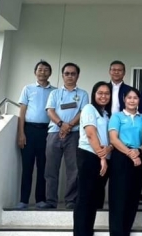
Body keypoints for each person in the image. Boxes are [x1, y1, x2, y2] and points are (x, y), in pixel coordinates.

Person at [40, 63, 88, 209]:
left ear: (78, 76)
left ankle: (71, 200)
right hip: (54, 133)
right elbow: (50, 111)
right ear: (62, 75)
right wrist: (61, 125)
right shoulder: (54, 93)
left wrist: (69, 126)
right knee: (51, 168)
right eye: (67, 73)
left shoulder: (83, 94)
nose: (70, 76)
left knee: (73, 169)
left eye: (73, 73)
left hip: (74, 134)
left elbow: (83, 112)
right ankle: (51, 200)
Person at [74, 81, 113, 236]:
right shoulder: (89, 108)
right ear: (94, 94)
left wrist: (108, 150)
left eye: (107, 93)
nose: (104, 96)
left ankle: (87, 231)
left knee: (93, 198)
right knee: (85, 197)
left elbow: (108, 138)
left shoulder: (106, 114)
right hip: (89, 155)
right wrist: (102, 157)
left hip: (102, 157)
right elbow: (91, 134)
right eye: (100, 93)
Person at [16, 60, 56, 209]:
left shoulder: (55, 91)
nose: (42, 72)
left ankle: (40, 199)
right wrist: (21, 133)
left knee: (43, 166)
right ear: (35, 72)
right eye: (40, 69)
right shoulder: (28, 89)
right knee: (27, 167)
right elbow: (22, 112)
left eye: (46, 70)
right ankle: (23, 200)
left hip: (47, 131)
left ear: (50, 73)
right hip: (29, 130)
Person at [108, 87, 142, 236]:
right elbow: (113, 139)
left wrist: (139, 151)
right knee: (118, 196)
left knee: (133, 196)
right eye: (129, 97)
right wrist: (130, 154)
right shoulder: (117, 117)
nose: (132, 100)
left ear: (139, 100)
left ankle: (126, 231)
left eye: (135, 98)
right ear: (124, 99)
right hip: (121, 156)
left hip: (138, 156)